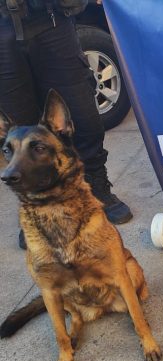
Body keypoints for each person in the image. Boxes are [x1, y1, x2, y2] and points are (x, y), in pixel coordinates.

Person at [0, 0, 132, 249]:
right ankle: (34, 209)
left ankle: (96, 187)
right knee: (18, 130)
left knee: (84, 116)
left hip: (50, 17)